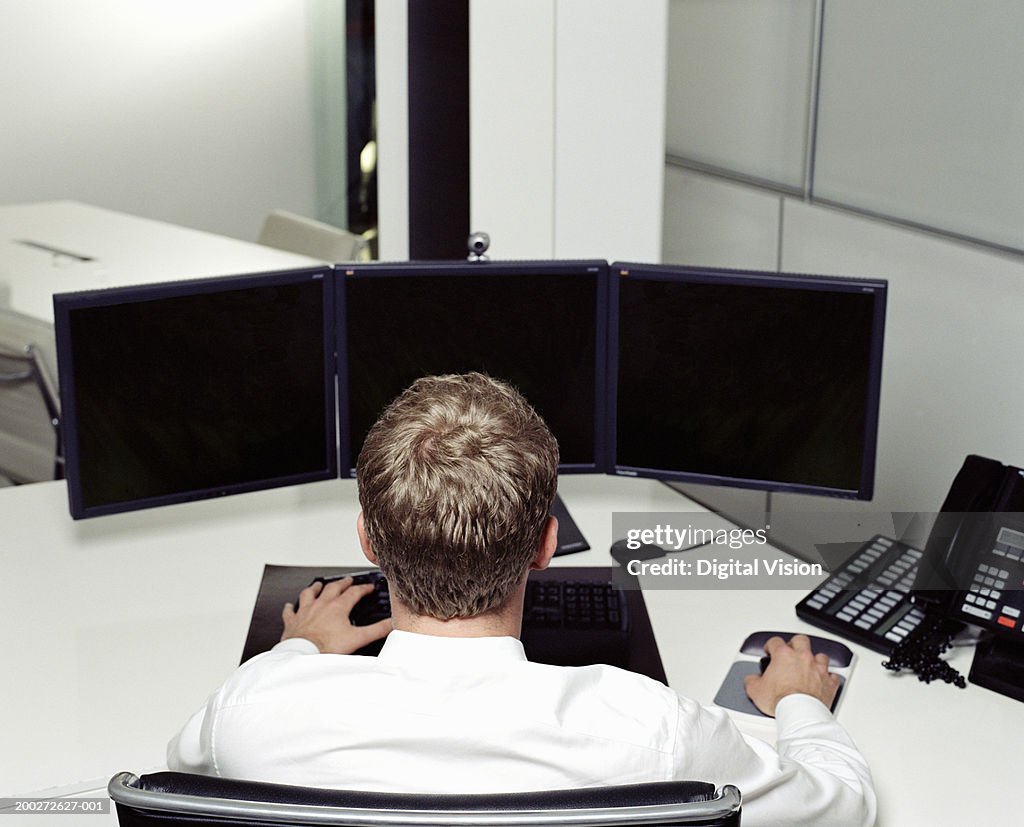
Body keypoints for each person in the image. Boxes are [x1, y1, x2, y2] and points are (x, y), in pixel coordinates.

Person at [168, 372, 875, 826]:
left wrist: (298, 649)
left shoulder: (253, 707)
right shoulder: (656, 732)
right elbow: (844, 807)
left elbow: (181, 773)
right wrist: (798, 699)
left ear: (368, 539)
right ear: (546, 543)